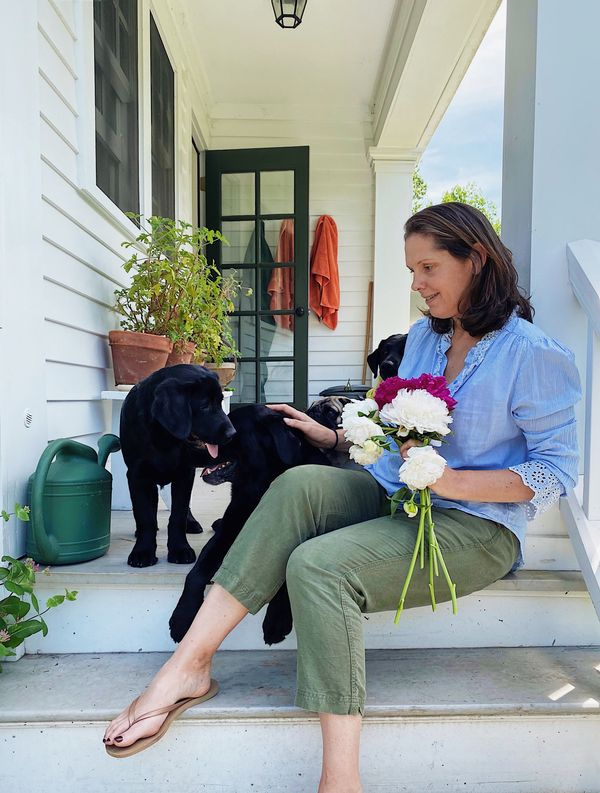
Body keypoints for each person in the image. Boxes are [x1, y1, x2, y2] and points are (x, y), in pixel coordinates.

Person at [103, 203, 581, 793]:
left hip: (476, 526)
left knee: (318, 564)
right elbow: (393, 438)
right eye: (412, 270)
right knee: (299, 481)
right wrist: (328, 436)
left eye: (428, 268)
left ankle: (341, 779)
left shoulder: (535, 355)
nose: (417, 285)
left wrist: (452, 481)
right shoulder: (427, 342)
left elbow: (557, 471)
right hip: (394, 495)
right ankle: (189, 666)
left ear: (475, 260)